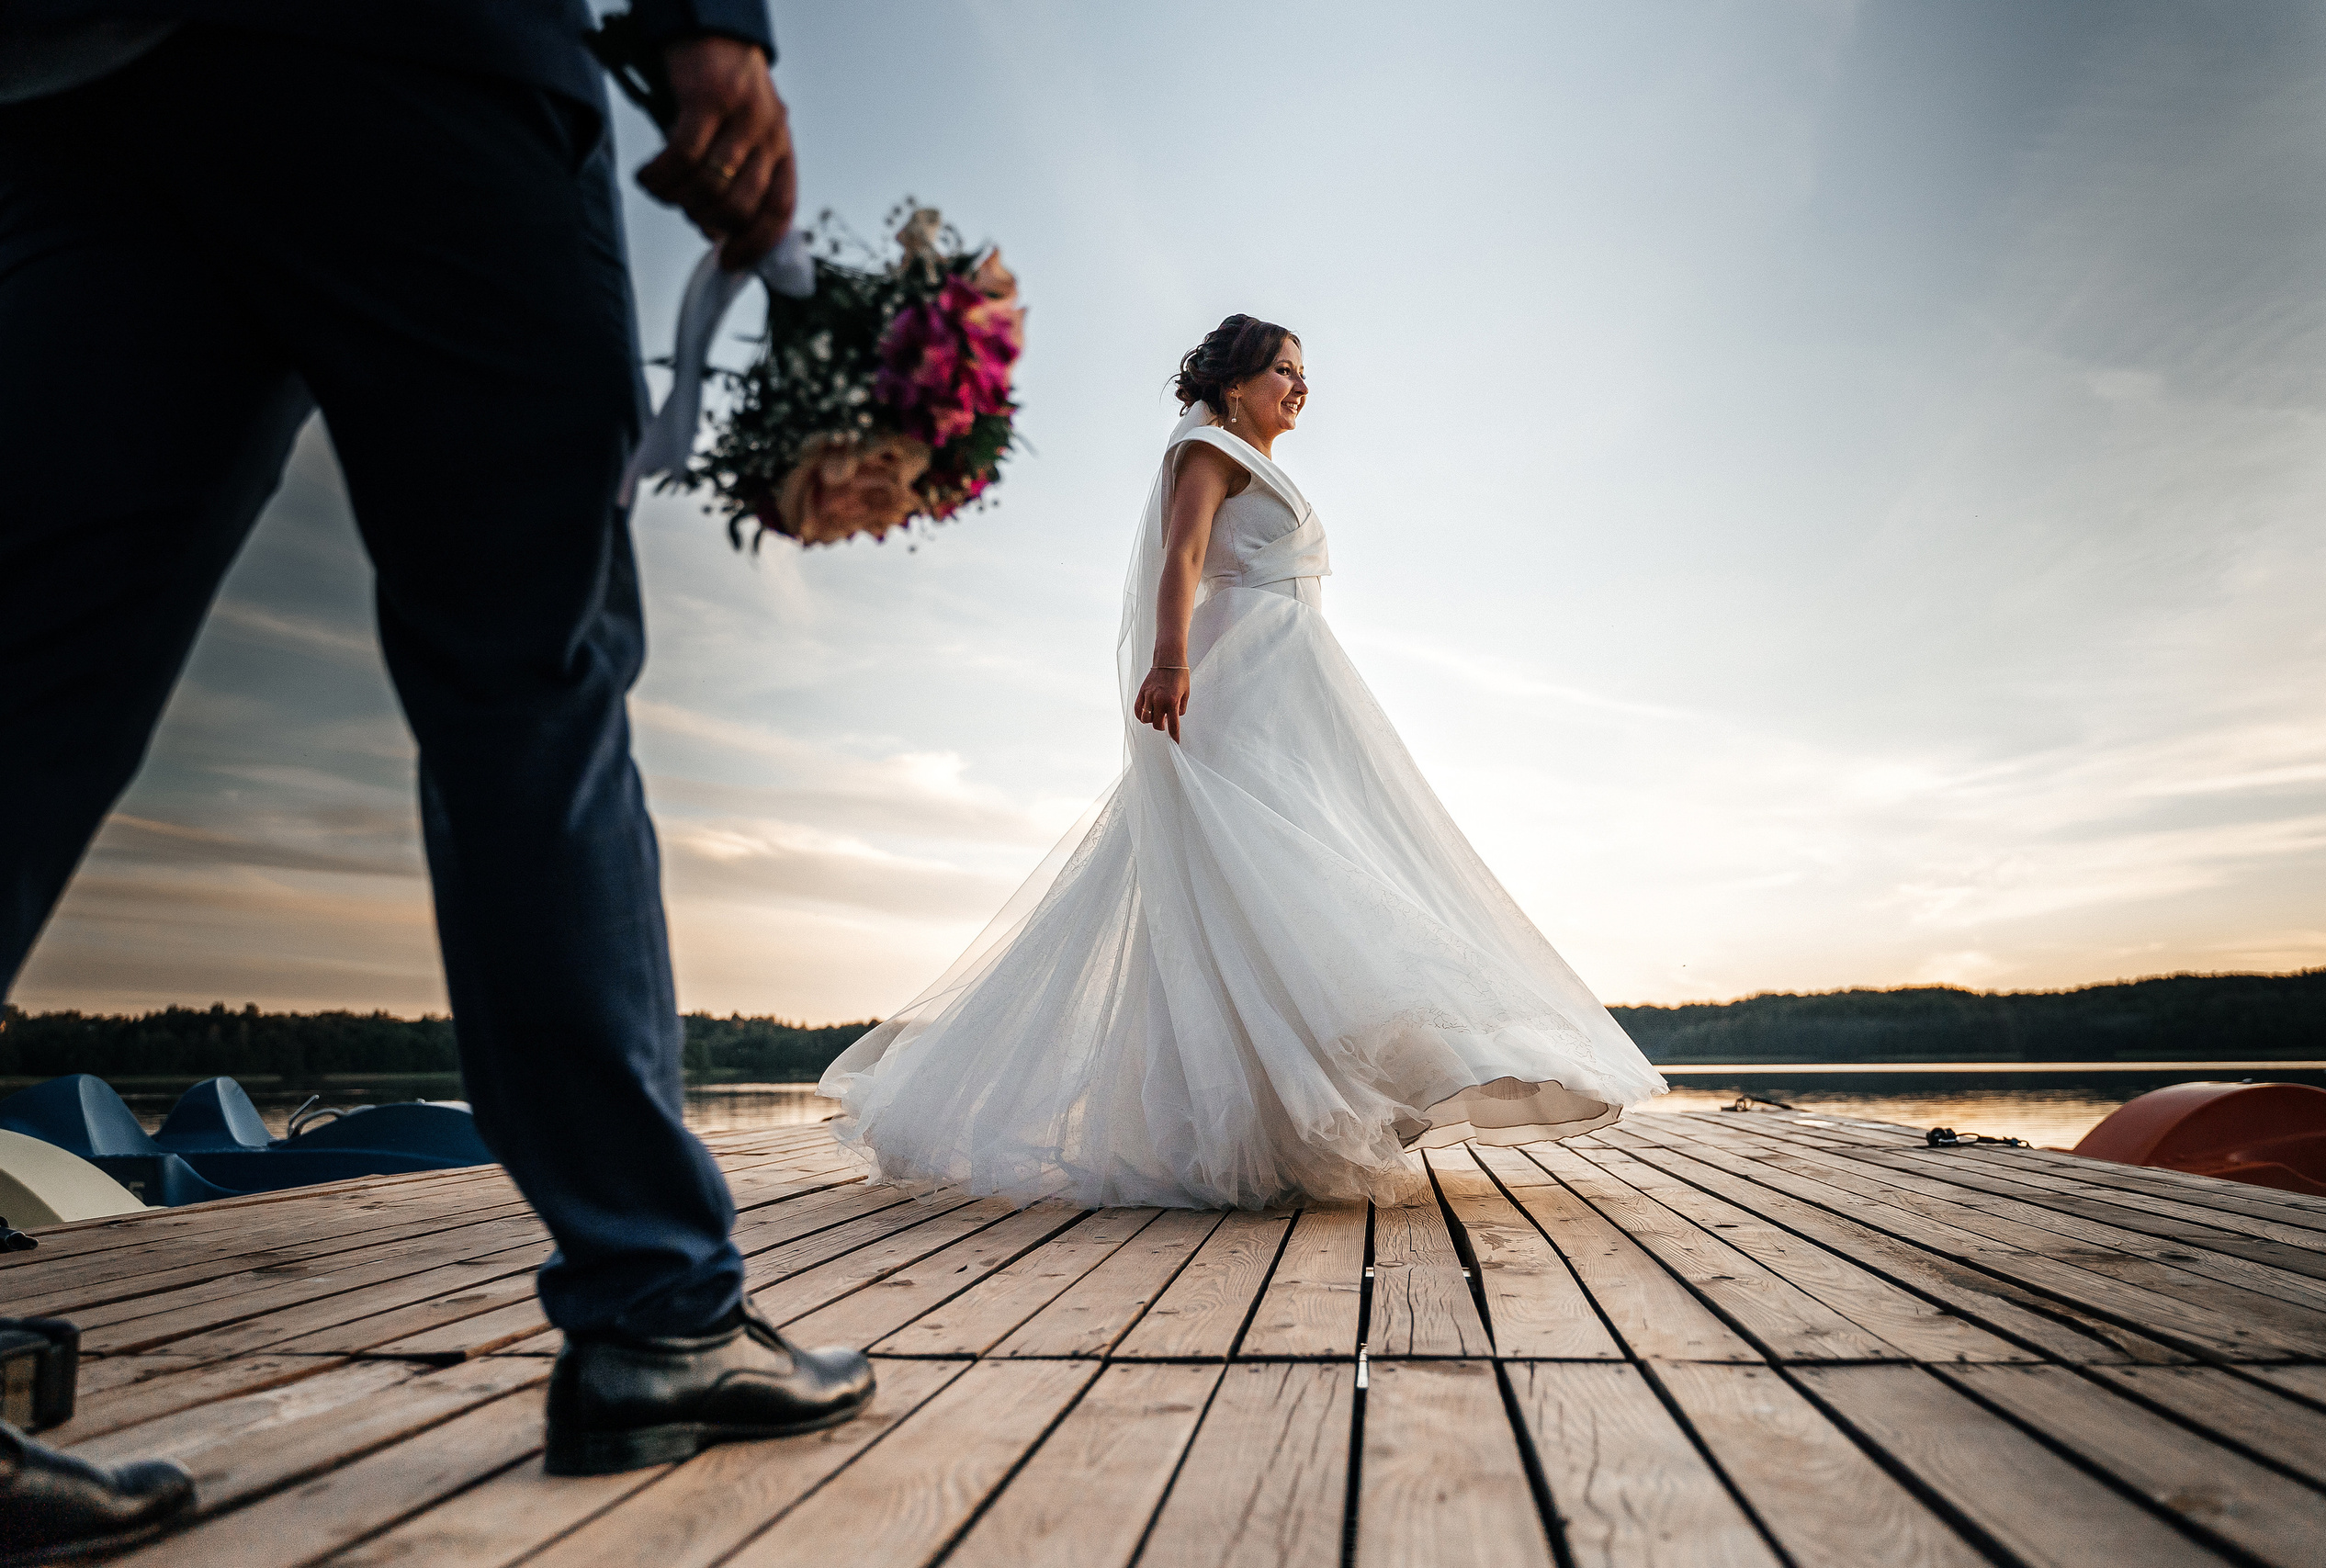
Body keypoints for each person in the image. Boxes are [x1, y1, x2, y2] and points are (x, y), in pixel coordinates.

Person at [0, 0, 875, 1507]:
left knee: (29, 676)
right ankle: (656, 1306)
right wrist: (704, 24)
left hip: (81, 75)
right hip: (429, 56)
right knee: (530, 678)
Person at [821, 315, 1669, 1207]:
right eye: (1283, 372)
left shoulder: (1253, 456)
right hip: (1239, 681)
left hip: (1293, 683)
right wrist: (1170, 659)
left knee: (1297, 880)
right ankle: (1253, 1119)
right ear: (1233, 385)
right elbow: (1181, 555)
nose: (1299, 387)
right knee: (1270, 873)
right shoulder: (1206, 449)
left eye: (1304, 373)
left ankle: (1310, 1108)